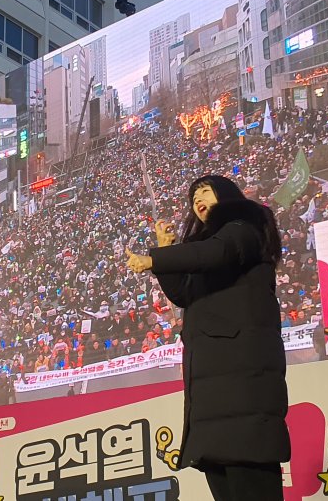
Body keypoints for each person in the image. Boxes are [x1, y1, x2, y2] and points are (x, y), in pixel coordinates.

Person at [126, 175, 289, 501]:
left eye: (205, 191)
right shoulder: (213, 254)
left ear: (227, 196)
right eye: (193, 196)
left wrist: (155, 259)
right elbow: (184, 293)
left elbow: (215, 251)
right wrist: (167, 251)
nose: (197, 198)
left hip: (244, 392)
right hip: (214, 401)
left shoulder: (244, 230)